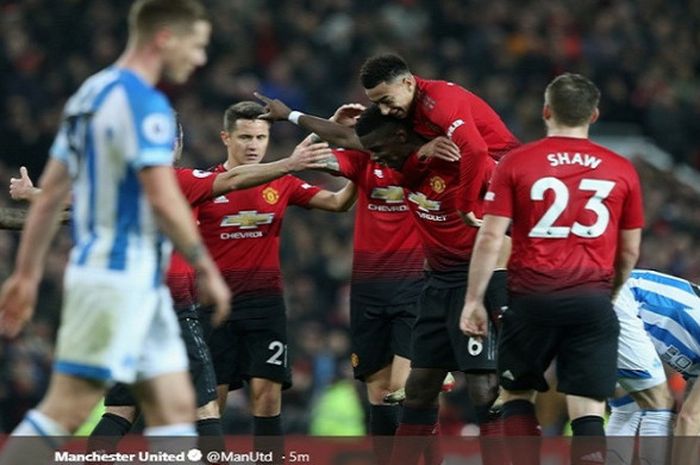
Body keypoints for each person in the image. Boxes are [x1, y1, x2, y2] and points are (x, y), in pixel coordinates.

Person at [8, 124, 334, 463]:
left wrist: (34, 195)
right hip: (169, 305)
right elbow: (235, 180)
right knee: (205, 405)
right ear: (176, 144)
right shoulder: (177, 181)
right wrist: (289, 163)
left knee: (122, 407)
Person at [0, 1, 228, 463]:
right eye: (197, 45)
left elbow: (53, 191)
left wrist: (24, 275)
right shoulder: (146, 104)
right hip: (118, 279)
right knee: (66, 409)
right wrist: (206, 267)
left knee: (178, 407)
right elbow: (163, 196)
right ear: (164, 38)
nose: (201, 59)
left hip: (131, 281)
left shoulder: (90, 95)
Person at [460, 73, 644, 465]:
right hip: (591, 300)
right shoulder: (621, 168)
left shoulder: (517, 161)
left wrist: (474, 300)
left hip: (532, 300)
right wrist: (607, 294)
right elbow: (628, 251)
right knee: (587, 404)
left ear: (546, 111)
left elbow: (491, 238)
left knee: (516, 394)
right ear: (594, 114)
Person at [201, 101, 356, 462]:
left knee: (268, 395)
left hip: (265, 304)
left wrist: (360, 176)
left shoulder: (281, 182)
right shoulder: (206, 184)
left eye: (260, 137)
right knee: (212, 401)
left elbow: (335, 203)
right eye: (244, 137)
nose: (253, 145)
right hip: (216, 306)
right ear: (226, 137)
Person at [608, 269, 700, 465]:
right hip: (623, 297)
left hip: (600, 293)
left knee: (627, 406)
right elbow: (689, 419)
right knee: (660, 404)